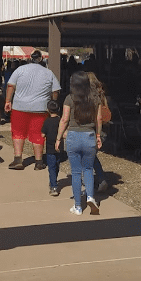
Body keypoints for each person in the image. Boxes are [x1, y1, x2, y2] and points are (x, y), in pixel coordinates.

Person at [56, 71, 103, 215]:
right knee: (88, 169)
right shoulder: (96, 99)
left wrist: (58, 138)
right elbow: (99, 118)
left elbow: (64, 119)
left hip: (73, 136)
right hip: (89, 135)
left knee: (76, 172)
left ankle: (77, 206)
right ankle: (90, 196)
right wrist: (98, 135)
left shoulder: (69, 98)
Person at [4, 50, 61, 170]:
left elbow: (11, 86)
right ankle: (39, 161)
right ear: (41, 59)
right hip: (40, 108)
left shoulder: (20, 70)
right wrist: (52, 103)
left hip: (19, 107)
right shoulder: (48, 72)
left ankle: (18, 159)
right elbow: (55, 91)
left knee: (18, 133)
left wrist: (8, 101)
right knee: (38, 134)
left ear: (30, 58)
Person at [40, 98, 63, 196]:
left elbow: (42, 134)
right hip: (59, 147)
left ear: (48, 110)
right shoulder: (61, 121)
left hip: (49, 148)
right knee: (57, 165)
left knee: (51, 167)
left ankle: (53, 186)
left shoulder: (47, 121)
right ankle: (54, 181)